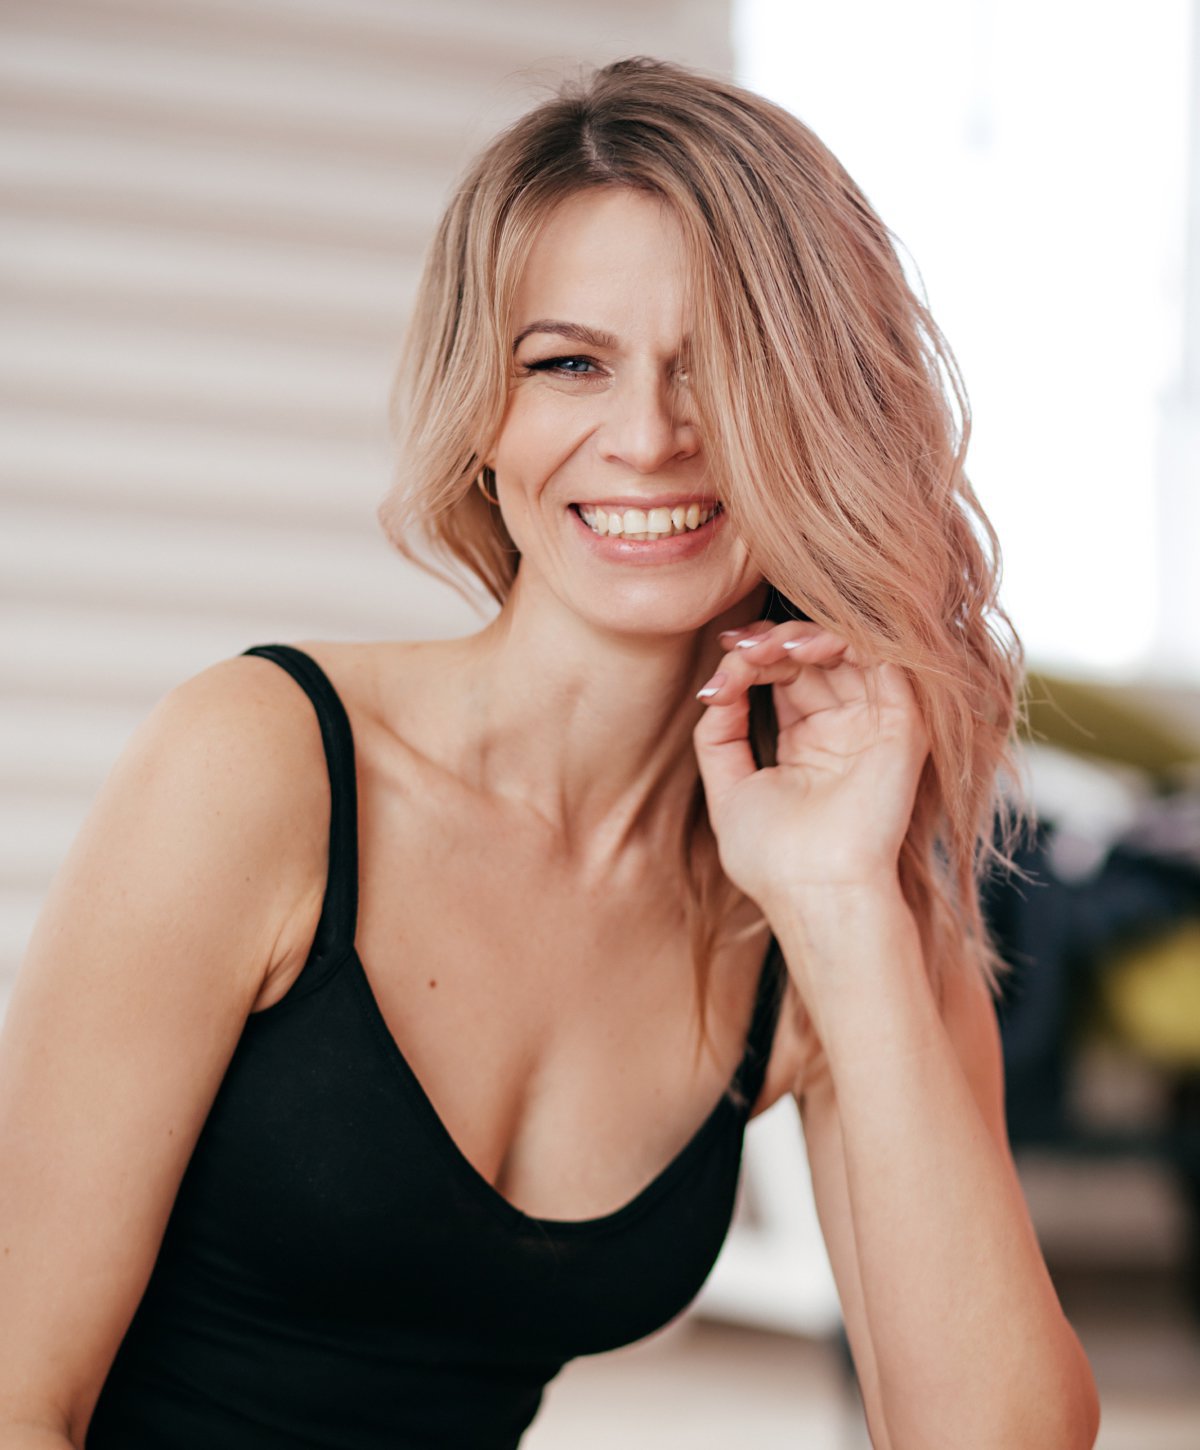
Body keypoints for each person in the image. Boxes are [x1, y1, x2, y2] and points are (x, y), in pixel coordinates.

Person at [0, 55, 1099, 1450]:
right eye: (569, 363)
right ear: (486, 416)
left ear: (821, 416)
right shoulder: (263, 765)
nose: (647, 437)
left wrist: (835, 909)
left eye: (724, 370)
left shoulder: (842, 878)